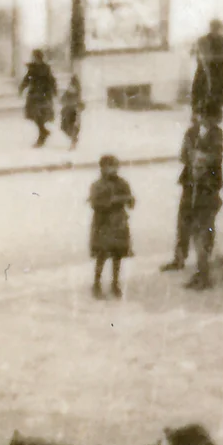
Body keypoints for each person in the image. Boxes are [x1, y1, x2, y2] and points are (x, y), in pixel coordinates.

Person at [167, 106, 223, 290]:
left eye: (210, 116)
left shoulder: (217, 134)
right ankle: (180, 258)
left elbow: (214, 158)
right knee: (184, 222)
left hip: (207, 186)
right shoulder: (192, 132)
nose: (205, 119)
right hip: (190, 184)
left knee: (203, 230)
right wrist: (192, 159)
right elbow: (184, 155)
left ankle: (203, 273)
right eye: (203, 115)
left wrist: (199, 160)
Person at [87, 154, 134, 300]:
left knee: (117, 254)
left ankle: (115, 283)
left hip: (119, 223)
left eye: (115, 166)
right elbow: (95, 204)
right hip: (104, 223)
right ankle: (96, 283)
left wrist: (129, 200)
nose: (113, 170)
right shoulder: (98, 185)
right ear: (102, 168)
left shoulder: (123, 183)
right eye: (109, 167)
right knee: (102, 254)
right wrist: (111, 201)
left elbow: (130, 202)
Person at [190, 19, 223, 115]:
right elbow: (206, 58)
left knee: (218, 93)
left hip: (219, 71)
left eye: (218, 28)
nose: (217, 30)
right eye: (215, 28)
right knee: (204, 94)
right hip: (206, 70)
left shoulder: (222, 39)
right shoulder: (203, 40)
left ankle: (216, 110)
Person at [19, 49, 58, 147]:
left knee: (40, 116)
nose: (35, 59)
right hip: (34, 96)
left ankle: (42, 135)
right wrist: (21, 88)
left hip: (43, 96)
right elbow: (27, 79)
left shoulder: (45, 68)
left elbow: (51, 80)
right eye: (34, 57)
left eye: (36, 57)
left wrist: (54, 91)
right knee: (35, 116)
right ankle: (43, 132)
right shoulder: (32, 68)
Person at [58, 74, 84, 150]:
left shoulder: (77, 95)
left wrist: (78, 108)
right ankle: (74, 139)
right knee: (64, 127)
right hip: (65, 113)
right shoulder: (67, 93)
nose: (70, 87)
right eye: (70, 85)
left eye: (72, 86)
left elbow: (81, 105)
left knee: (73, 128)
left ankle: (73, 142)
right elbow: (62, 100)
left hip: (74, 113)